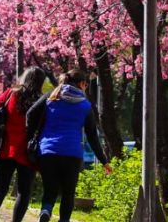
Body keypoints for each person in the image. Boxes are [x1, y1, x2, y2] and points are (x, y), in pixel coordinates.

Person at [27, 69, 111, 222]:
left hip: (47, 151)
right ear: (81, 84)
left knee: (50, 190)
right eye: (85, 84)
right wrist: (104, 160)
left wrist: (33, 136)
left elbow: (30, 114)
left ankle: (45, 211)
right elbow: (92, 136)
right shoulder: (85, 105)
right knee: (68, 193)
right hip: (72, 153)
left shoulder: (51, 97)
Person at [0, 67, 47, 222]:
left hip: (6, 148)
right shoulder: (41, 100)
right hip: (27, 153)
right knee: (24, 192)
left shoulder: (11, 93)